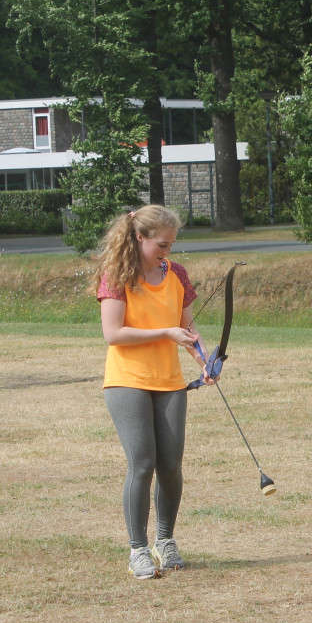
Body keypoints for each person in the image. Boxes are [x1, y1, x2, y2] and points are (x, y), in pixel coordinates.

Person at [95, 205, 214, 581]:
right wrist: (165, 334)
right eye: (161, 244)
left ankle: (166, 541)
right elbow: (114, 334)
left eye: (172, 244)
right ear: (139, 237)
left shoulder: (176, 274)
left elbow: (188, 328)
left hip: (168, 382)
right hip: (127, 379)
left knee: (171, 465)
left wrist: (205, 361)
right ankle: (138, 550)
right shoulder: (117, 275)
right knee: (143, 463)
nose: (168, 252)